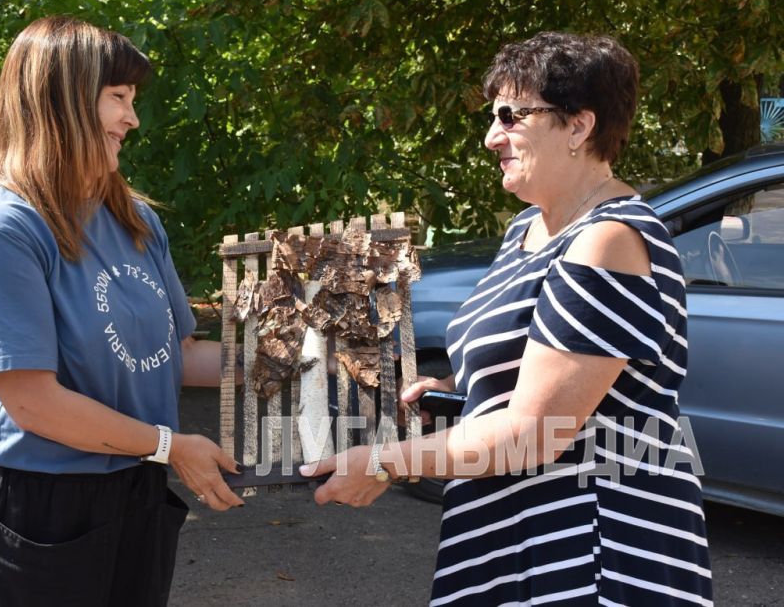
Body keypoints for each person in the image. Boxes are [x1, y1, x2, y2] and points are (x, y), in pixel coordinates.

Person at [301, 32, 713, 605]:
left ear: (578, 126)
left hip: (588, 548)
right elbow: (529, 360)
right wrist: (450, 387)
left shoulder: (608, 241)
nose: (493, 136)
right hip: (512, 533)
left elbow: (535, 432)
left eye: (511, 117)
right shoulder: (529, 228)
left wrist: (384, 462)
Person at [0, 16, 243, 607]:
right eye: (118, 98)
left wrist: (298, 358)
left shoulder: (133, 218)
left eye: (132, 100)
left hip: (135, 488)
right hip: (33, 509)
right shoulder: (0, 229)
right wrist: (170, 445)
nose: (132, 118)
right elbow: (32, 401)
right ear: (63, 101)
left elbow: (175, 357)